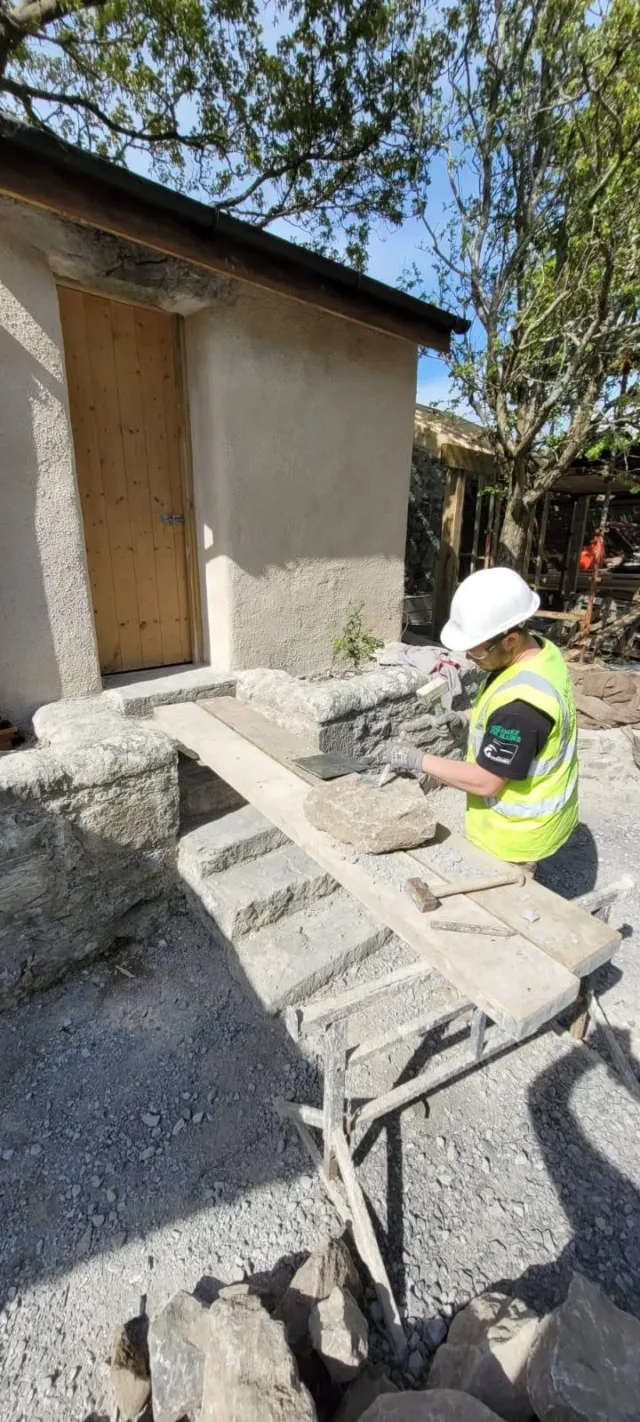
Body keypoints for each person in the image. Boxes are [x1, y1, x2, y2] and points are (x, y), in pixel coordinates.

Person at [381, 567, 579, 865]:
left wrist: (416, 760)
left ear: (510, 640)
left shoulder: (522, 707)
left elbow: (486, 782)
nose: (471, 659)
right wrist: (464, 716)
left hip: (515, 836)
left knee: (503, 907)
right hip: (539, 820)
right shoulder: (542, 654)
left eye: (477, 653)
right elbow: (506, 709)